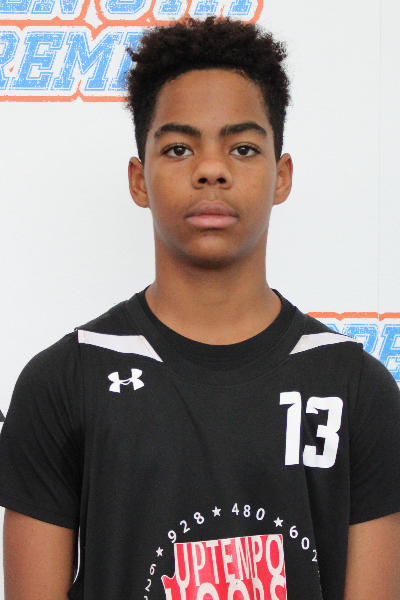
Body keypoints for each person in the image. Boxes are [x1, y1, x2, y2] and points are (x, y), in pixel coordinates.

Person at [0, 16, 400, 600]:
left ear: (281, 176)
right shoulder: (63, 382)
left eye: (243, 148)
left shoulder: (358, 389)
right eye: (179, 148)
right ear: (139, 179)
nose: (211, 169)